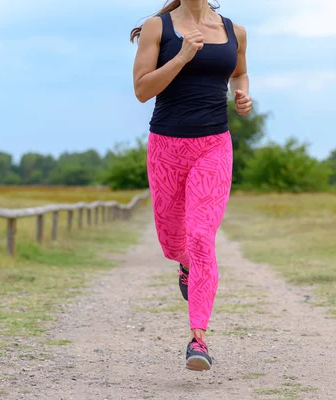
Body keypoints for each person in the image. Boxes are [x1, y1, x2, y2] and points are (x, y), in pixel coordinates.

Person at [130, 0, 252, 371]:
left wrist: (242, 94)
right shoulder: (158, 27)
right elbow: (141, 90)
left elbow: (240, 74)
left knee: (201, 237)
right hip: (166, 146)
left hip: (214, 145)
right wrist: (181, 57)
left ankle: (198, 339)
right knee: (173, 242)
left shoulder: (235, 31)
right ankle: (184, 265)